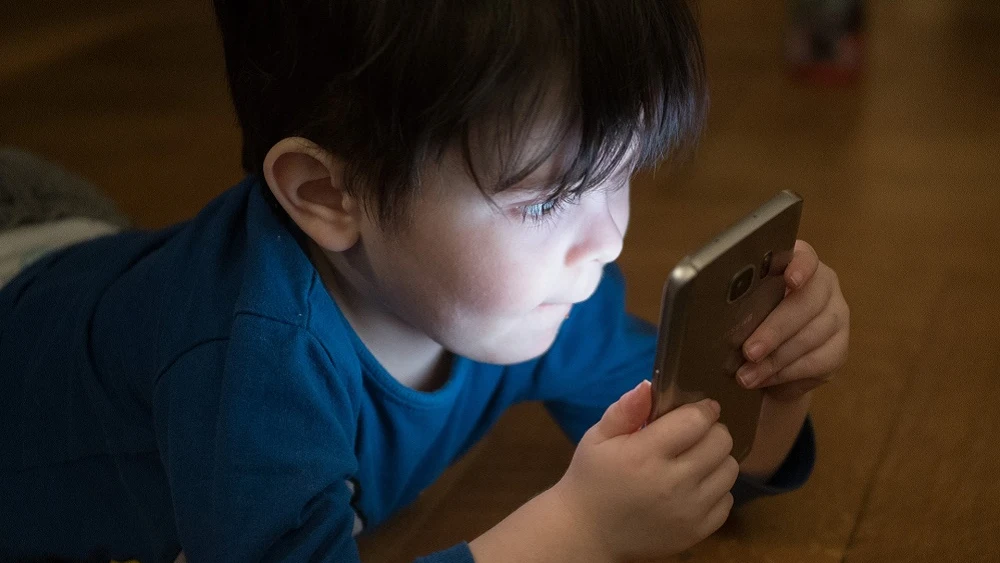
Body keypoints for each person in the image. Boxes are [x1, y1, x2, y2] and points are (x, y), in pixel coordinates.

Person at [0, 0, 850, 561]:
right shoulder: (249, 367)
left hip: (86, 262)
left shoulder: (542, 291)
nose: (608, 238)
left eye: (619, 172)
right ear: (332, 194)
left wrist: (774, 387)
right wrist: (576, 532)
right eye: (548, 198)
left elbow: (704, 460)